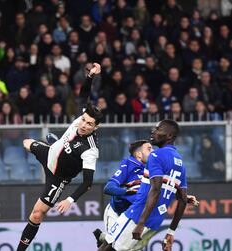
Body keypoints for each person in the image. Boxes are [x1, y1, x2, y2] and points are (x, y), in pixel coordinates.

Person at [16, 63, 103, 251]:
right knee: (26, 143)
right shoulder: (81, 117)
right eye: (84, 120)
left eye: (90, 124)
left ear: (96, 128)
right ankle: (54, 144)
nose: (84, 125)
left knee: (37, 215)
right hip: (49, 153)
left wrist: (69, 200)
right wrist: (90, 76)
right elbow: (84, 94)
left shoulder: (91, 150)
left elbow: (88, 183)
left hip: (58, 177)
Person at [98, 119, 188, 251]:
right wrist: (170, 232)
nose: (153, 131)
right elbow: (183, 199)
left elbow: (155, 190)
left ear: (169, 136)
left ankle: (101, 237)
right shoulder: (180, 162)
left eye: (158, 129)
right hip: (155, 223)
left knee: (109, 248)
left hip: (136, 216)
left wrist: (141, 222)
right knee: (110, 245)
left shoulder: (156, 155)